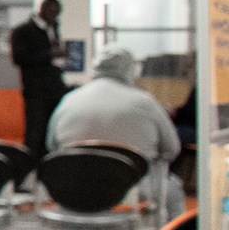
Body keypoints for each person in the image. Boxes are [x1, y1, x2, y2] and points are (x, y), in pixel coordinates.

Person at [50, 48, 180, 217]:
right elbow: (172, 149)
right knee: (173, 190)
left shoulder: (69, 100)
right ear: (130, 70)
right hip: (134, 192)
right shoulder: (145, 102)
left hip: (77, 189)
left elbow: (52, 146)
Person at [12, 0, 70, 158]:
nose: (54, 16)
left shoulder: (52, 30)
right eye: (52, 12)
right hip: (36, 91)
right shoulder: (23, 31)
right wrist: (49, 54)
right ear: (42, 9)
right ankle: (29, 171)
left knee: (52, 135)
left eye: (57, 13)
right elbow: (19, 58)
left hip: (55, 89)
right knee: (34, 134)